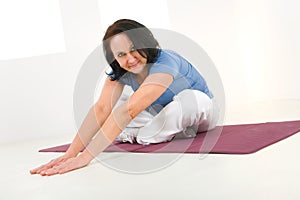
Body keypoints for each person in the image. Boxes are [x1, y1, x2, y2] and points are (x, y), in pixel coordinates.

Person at [30, 19, 219, 176]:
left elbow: (129, 110)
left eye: (134, 48)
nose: (130, 59)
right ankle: (156, 132)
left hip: (201, 112)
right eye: (121, 54)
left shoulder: (166, 61)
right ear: (114, 57)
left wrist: (85, 157)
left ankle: (140, 136)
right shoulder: (121, 71)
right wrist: (71, 153)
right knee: (120, 104)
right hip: (162, 114)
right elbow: (102, 108)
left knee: (187, 99)